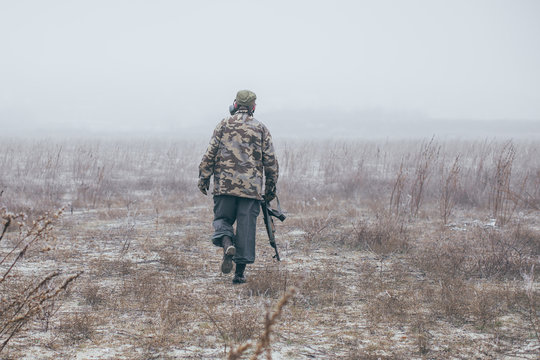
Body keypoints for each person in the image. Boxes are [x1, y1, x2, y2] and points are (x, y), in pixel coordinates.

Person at [198, 90, 279, 284]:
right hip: (250, 190)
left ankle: (227, 245)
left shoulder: (223, 125)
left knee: (222, 220)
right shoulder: (261, 129)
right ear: (253, 107)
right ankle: (239, 275)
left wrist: (203, 178)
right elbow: (271, 162)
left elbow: (210, 153)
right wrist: (270, 189)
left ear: (235, 104)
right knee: (246, 230)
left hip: (224, 187)